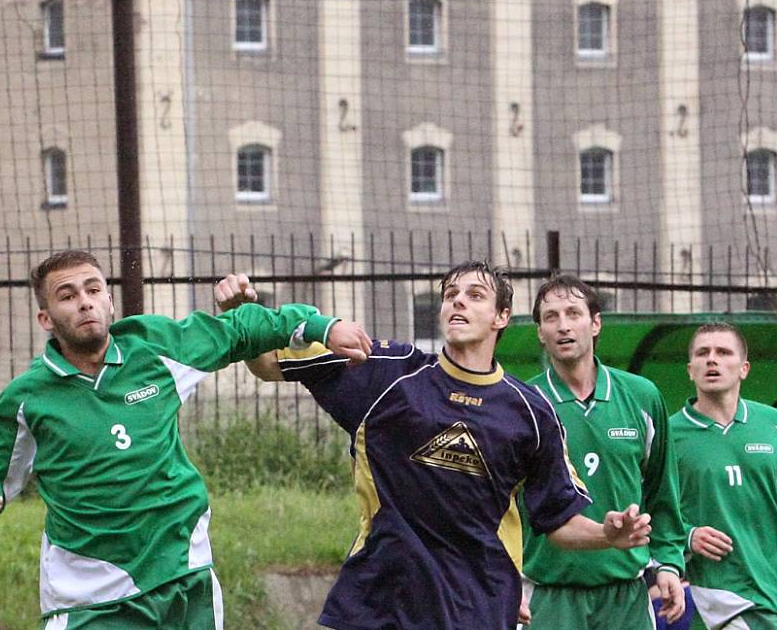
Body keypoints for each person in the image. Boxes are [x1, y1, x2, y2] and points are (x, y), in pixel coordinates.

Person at [216, 261, 654, 630]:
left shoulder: (531, 412)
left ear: (502, 316)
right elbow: (269, 363)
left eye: (475, 295)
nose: (457, 301)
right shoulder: (386, 372)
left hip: (478, 609)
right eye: (450, 294)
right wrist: (243, 314)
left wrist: (607, 534)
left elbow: (558, 518)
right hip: (379, 602)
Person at [0, 250, 371, 630]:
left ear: (110, 301)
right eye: (68, 295)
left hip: (185, 577)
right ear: (45, 318)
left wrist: (322, 326)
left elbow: (240, 330)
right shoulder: (28, 398)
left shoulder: (153, 348)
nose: (85, 303)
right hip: (91, 598)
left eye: (93, 290)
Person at [521, 274, 686, 629]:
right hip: (549, 595)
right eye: (551, 317)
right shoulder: (524, 403)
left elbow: (661, 493)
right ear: (540, 332)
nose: (563, 326)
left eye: (573, 313)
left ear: (595, 323)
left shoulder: (642, 397)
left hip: (626, 596)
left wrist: (669, 563)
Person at [670, 322, 777, 629]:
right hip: (728, 597)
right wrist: (689, 536)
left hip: (774, 586)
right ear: (691, 369)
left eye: (723, 352)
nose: (712, 360)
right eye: (703, 353)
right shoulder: (669, 436)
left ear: (744, 368)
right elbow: (649, 510)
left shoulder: (774, 424)